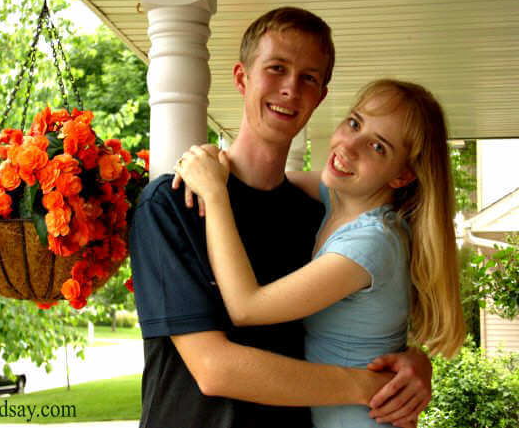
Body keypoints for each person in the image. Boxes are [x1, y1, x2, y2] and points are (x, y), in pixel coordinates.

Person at [130, 7, 432, 428]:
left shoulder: (320, 216)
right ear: (241, 78)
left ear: (320, 96)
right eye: (276, 69)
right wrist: (369, 385)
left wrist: (414, 364)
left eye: (309, 77)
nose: (291, 88)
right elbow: (214, 369)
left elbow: (367, 313)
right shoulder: (174, 202)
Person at [174, 78, 466, 427]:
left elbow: (246, 307)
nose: (349, 146)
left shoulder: (371, 243)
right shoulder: (339, 199)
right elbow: (265, 179)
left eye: (378, 147)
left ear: (403, 175)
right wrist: (211, 159)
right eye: (355, 123)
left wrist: (214, 193)